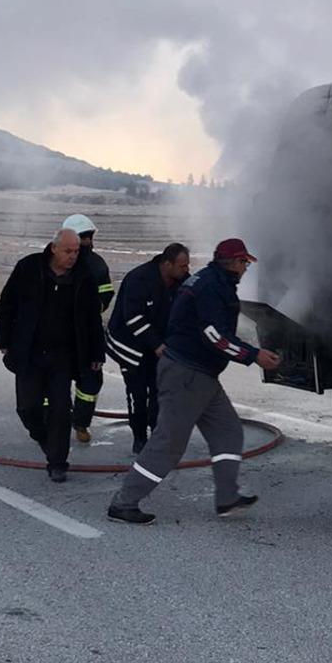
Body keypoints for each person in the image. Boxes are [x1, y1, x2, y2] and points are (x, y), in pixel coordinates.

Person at [108, 238, 281, 525]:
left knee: (227, 431)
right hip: (186, 375)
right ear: (234, 263)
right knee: (168, 445)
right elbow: (216, 337)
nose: (246, 268)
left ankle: (227, 498)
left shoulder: (211, 280)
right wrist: (254, 355)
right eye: (244, 263)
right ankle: (123, 503)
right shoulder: (211, 288)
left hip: (202, 375)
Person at [0, 228, 106, 482]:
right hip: (30, 352)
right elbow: (7, 305)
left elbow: (93, 319)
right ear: (54, 248)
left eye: (76, 251)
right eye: (68, 251)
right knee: (28, 407)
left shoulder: (84, 276)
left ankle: (58, 462)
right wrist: (4, 341)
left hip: (63, 356)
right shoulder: (28, 268)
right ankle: (42, 437)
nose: (73, 256)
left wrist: (96, 353)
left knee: (60, 410)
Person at [105, 242, 191, 453]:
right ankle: (139, 437)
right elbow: (133, 318)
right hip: (130, 344)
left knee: (159, 389)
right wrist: (157, 345)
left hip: (158, 345)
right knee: (138, 392)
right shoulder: (139, 279)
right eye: (183, 266)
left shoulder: (182, 281)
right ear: (167, 264)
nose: (186, 269)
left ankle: (157, 432)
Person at [60, 213, 115, 444]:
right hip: (58, 334)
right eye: (83, 237)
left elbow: (106, 294)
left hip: (88, 334)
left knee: (90, 382)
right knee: (54, 380)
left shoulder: (97, 265)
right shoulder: (54, 262)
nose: (87, 242)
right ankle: (53, 420)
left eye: (89, 237)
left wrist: (89, 310)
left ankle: (81, 423)